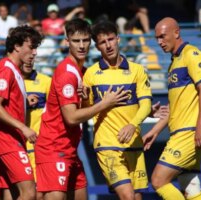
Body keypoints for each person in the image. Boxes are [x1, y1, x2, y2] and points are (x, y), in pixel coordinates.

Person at [34, 18, 128, 200]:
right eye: (76, 41)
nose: (82, 45)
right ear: (67, 41)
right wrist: (103, 104)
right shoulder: (66, 73)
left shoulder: (84, 72)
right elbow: (71, 117)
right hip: (54, 149)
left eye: (85, 40)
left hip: (70, 149)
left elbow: (87, 108)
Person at [144, 17, 201, 200]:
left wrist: (200, 126)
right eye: (157, 38)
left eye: (163, 36)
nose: (159, 42)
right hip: (179, 132)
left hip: (188, 133)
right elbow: (175, 108)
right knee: (190, 186)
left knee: (158, 180)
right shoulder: (174, 63)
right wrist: (156, 131)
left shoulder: (192, 54)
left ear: (177, 32)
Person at [83, 20, 152, 200]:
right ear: (97, 47)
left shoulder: (137, 70)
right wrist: (87, 99)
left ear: (118, 39)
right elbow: (86, 110)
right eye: (102, 42)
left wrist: (132, 125)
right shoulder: (91, 74)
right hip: (107, 145)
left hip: (133, 143)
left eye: (111, 39)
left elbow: (146, 105)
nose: (108, 45)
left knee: (136, 198)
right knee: (128, 196)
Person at [0, 25, 43, 200]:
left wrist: (22, 101)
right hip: (7, 141)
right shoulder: (6, 68)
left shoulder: (14, 70)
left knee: (12, 194)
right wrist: (23, 127)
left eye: (36, 48)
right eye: (31, 47)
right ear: (17, 46)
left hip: (11, 140)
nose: (34, 53)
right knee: (29, 192)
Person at [22, 62, 51, 179]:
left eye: (32, 57)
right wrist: (23, 102)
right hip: (16, 147)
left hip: (38, 147)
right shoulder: (10, 80)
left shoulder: (46, 81)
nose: (29, 61)